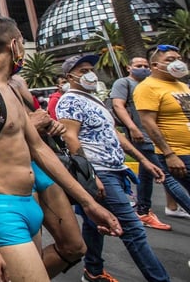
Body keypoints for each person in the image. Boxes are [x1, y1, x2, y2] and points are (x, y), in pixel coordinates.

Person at [0, 16, 122, 282]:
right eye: (21, 40)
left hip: (29, 204)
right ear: (14, 45)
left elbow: (39, 150)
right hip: (3, 210)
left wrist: (89, 203)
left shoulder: (6, 88)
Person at [57, 53, 170, 282]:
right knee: (133, 230)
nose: (90, 74)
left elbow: (115, 135)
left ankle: (93, 270)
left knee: (92, 224)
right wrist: (90, 175)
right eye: (83, 71)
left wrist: (143, 160)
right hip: (101, 172)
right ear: (69, 76)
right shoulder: (70, 101)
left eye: (91, 69)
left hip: (116, 170)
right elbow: (71, 138)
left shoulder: (95, 100)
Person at [8, 75, 88, 278]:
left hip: (43, 165)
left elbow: (35, 120)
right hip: (11, 172)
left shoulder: (19, 81)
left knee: (74, 246)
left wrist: (51, 125)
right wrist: (30, 126)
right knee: (30, 257)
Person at [110, 57, 172, 230]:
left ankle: (144, 209)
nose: (143, 68)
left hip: (161, 136)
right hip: (142, 136)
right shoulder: (124, 83)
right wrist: (132, 127)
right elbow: (118, 105)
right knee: (165, 174)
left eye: (146, 66)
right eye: (139, 66)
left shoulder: (153, 84)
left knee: (147, 173)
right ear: (129, 67)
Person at [134, 44, 190, 219]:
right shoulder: (147, 87)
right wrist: (169, 154)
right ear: (155, 66)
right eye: (170, 60)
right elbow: (148, 122)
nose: (178, 63)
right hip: (179, 153)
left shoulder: (181, 86)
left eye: (179, 59)